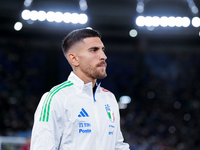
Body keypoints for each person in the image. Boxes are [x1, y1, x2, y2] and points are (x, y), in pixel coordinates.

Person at [30, 28, 130, 150]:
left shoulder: (109, 98)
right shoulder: (56, 98)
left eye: (102, 50)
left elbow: (118, 145)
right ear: (74, 59)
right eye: (94, 50)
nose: (103, 56)